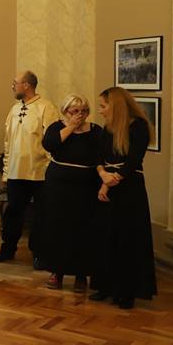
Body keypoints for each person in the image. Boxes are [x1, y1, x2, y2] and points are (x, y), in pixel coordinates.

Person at [90, 87, 157, 310]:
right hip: (108, 184)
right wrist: (103, 176)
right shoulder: (107, 129)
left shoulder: (138, 127)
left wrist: (113, 179)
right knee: (106, 236)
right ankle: (105, 286)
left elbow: (134, 159)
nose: (100, 110)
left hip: (129, 188)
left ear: (116, 105)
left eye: (103, 106)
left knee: (127, 238)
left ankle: (126, 291)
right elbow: (98, 156)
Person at [0, 70, 60, 266]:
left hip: (40, 172)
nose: (12, 86)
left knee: (40, 214)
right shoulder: (14, 110)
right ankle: (7, 249)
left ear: (27, 85)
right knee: (13, 212)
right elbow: (7, 143)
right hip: (15, 172)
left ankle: (39, 253)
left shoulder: (46, 107)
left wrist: (51, 170)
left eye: (16, 83)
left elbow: (52, 141)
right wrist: (6, 172)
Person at [36, 95, 102, 291]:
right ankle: (57, 272)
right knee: (58, 227)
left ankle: (81, 274)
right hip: (59, 185)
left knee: (83, 228)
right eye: (75, 111)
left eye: (83, 111)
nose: (80, 115)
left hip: (86, 185)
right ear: (65, 112)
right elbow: (49, 145)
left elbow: (101, 155)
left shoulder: (96, 131)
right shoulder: (56, 127)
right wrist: (71, 127)